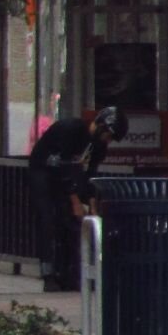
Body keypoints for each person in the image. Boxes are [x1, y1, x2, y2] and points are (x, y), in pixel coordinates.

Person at [26, 105, 124, 290]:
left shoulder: (98, 146)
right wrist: (75, 201)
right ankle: (48, 273)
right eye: (108, 136)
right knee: (47, 218)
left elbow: (90, 175)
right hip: (44, 172)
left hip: (68, 175)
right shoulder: (71, 130)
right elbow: (62, 167)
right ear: (102, 127)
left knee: (69, 222)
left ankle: (68, 272)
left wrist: (92, 204)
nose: (108, 141)